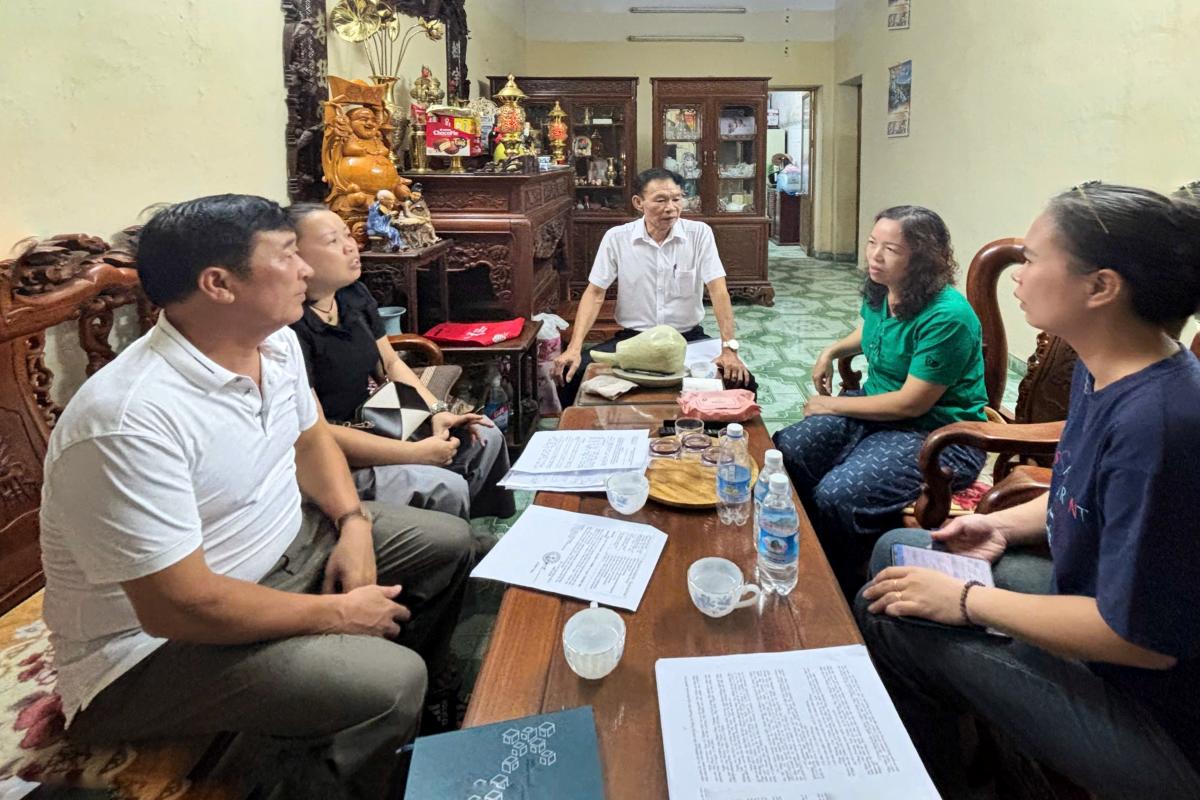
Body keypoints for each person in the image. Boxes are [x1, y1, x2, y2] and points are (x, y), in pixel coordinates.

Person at [40, 195, 475, 799]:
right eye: (288, 255)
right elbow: (178, 608)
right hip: (151, 652)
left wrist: (351, 523)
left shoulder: (274, 343)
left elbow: (311, 440)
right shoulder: (128, 419)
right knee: (390, 682)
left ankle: (388, 732)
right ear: (218, 283)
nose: (304, 271)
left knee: (449, 540)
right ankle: (308, 766)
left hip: (288, 548)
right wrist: (340, 614)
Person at [858, 184, 1200, 799]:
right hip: (1097, 608)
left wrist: (965, 601)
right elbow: (1078, 487)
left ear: (1100, 287)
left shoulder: (1164, 423)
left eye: (1034, 258)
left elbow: (1141, 642)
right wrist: (1001, 526)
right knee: (897, 551)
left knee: (894, 615)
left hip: (1158, 718)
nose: (1018, 273)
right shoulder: (1107, 367)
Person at [772, 205, 988, 594]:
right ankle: (806, 547)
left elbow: (911, 404)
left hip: (938, 433)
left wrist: (832, 404)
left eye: (890, 249)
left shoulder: (948, 315)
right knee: (789, 448)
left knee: (839, 494)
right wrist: (831, 351)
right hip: (876, 409)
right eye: (873, 243)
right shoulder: (884, 289)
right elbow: (869, 329)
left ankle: (840, 582)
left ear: (922, 259)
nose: (875, 255)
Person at [287, 202, 515, 525]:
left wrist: (437, 412)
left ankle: (476, 530)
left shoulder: (352, 294)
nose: (350, 245)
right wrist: (418, 455)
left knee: (485, 436)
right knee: (443, 486)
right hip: (342, 456)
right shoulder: (291, 328)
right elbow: (321, 435)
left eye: (346, 234)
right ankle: (454, 544)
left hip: (383, 419)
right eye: (332, 240)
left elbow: (391, 363)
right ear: (295, 258)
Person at [555, 167, 756, 406]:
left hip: (687, 340)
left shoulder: (699, 234)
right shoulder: (617, 238)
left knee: (743, 381)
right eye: (660, 200)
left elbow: (718, 290)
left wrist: (728, 348)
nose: (671, 207)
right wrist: (575, 347)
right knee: (570, 375)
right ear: (639, 203)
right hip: (633, 340)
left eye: (677, 198)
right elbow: (595, 293)